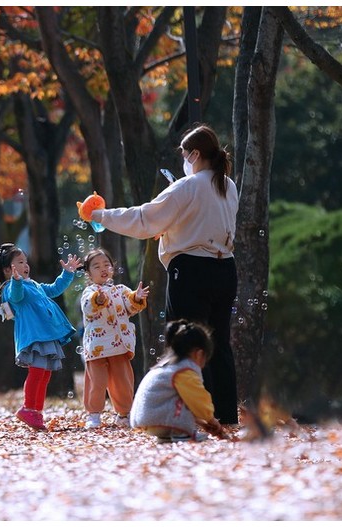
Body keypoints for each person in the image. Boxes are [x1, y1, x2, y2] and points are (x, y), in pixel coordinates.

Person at [83, 124, 239, 424]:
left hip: (191, 271)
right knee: (219, 344)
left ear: (194, 155)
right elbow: (206, 224)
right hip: (225, 269)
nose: (183, 159)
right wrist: (170, 230)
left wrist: (99, 215)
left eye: (184, 154)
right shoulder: (227, 185)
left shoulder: (188, 186)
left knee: (186, 343)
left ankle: (192, 415)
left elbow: (143, 219)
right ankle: (226, 415)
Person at [0, 243, 80, 430]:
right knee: (37, 372)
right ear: (9, 269)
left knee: (45, 375)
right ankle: (28, 408)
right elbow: (16, 297)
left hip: (45, 334)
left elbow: (54, 289)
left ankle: (36, 413)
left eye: (26, 261)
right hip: (34, 336)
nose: (26, 265)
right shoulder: (11, 287)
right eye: (20, 262)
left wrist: (67, 273)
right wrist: (16, 281)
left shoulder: (33, 285)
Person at [79, 248, 149, 429]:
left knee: (122, 381)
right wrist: (98, 299)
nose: (103, 268)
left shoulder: (121, 290)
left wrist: (137, 297)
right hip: (97, 347)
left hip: (119, 345)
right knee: (97, 382)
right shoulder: (89, 292)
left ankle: (124, 414)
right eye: (96, 266)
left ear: (112, 268)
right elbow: (88, 308)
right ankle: (94, 414)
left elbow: (130, 308)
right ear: (88, 273)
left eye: (106, 264)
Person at [130, 320, 227, 442]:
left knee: (183, 398)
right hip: (161, 420)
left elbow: (168, 403)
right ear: (199, 354)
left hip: (146, 420)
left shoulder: (165, 367)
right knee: (190, 398)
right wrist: (211, 419)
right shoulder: (185, 371)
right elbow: (199, 400)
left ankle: (166, 436)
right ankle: (182, 435)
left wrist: (202, 423)